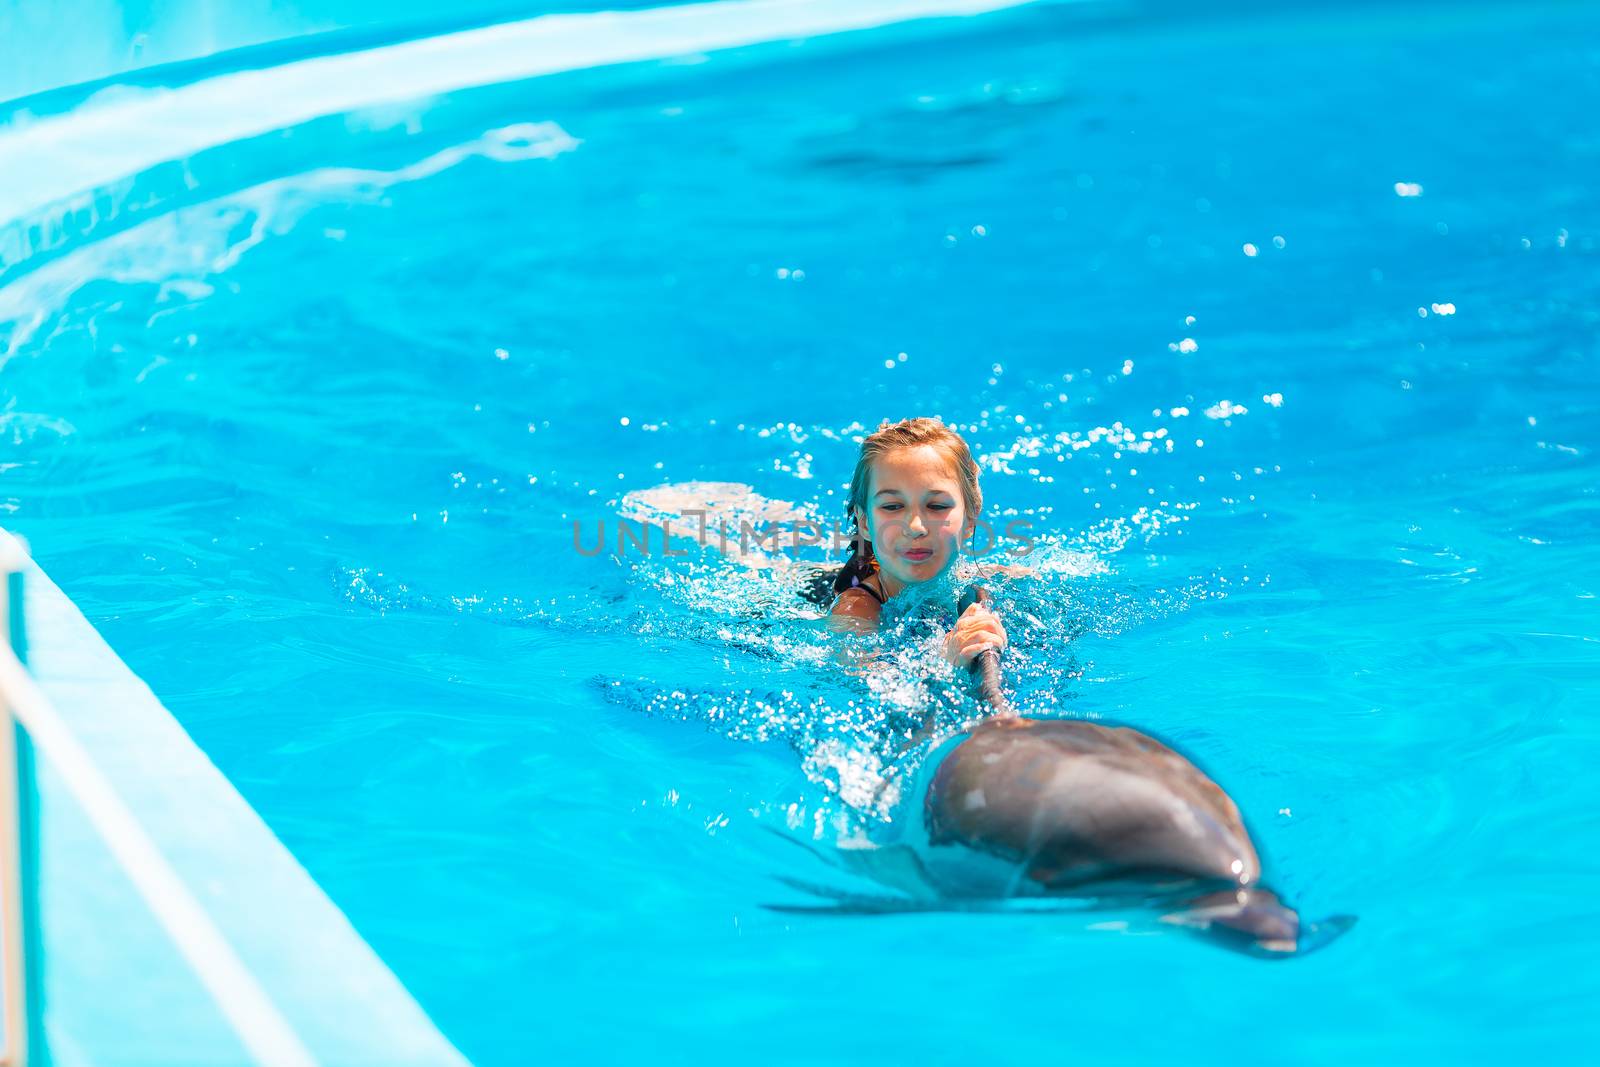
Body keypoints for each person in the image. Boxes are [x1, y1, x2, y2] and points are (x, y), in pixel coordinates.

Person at [826, 417, 1009, 671]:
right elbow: (870, 686)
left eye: (936, 506)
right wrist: (945, 660)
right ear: (865, 522)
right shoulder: (854, 612)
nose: (915, 528)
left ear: (970, 518)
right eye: (892, 506)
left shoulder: (992, 580)